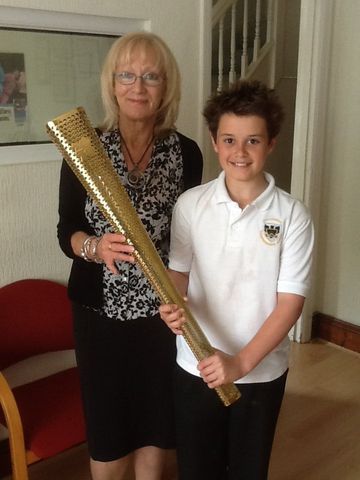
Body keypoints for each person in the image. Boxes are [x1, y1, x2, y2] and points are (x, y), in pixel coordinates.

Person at [57, 32, 203, 480]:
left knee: (156, 423)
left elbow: (193, 235)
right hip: (99, 315)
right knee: (109, 423)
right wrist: (94, 247)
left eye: (150, 76)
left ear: (166, 87)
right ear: (112, 83)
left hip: (161, 313)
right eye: (127, 75)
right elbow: (66, 230)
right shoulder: (84, 150)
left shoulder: (187, 153)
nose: (137, 86)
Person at [159, 80, 314, 480]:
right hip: (195, 363)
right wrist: (172, 303)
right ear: (214, 141)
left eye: (252, 141)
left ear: (271, 143)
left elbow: (290, 302)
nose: (239, 153)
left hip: (260, 372)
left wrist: (241, 362)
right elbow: (179, 273)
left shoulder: (293, 215)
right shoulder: (191, 205)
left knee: (247, 469)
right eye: (229, 139)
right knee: (196, 468)